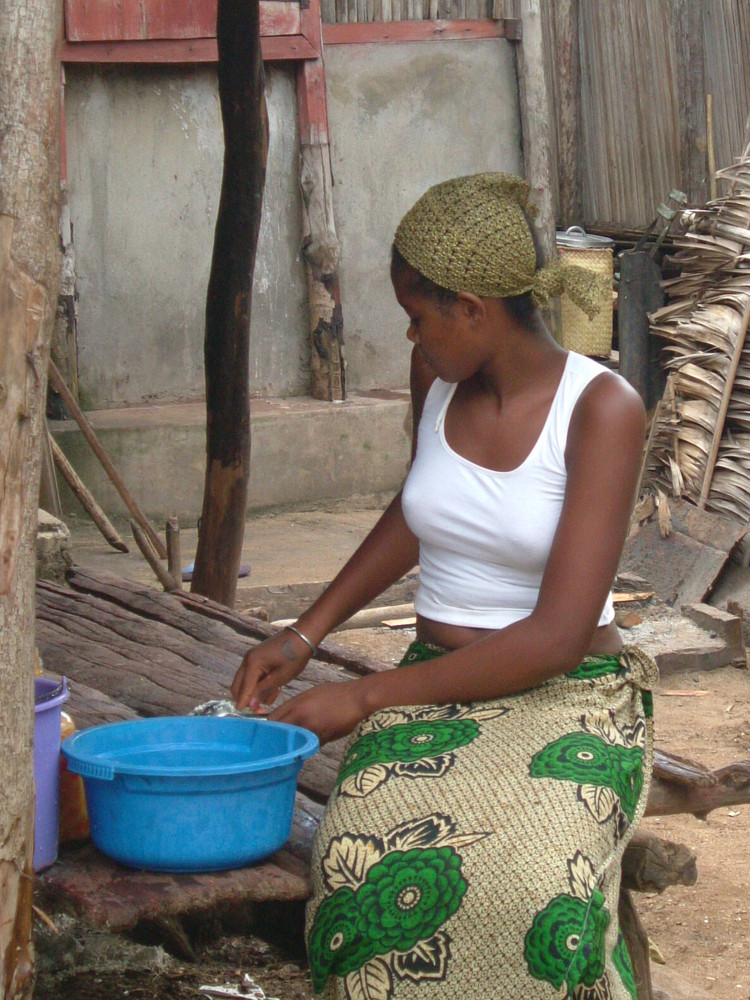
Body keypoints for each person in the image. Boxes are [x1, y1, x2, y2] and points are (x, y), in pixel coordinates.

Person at [232, 172, 657, 1000]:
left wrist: (363, 698)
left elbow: (558, 636)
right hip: (434, 686)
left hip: (569, 696)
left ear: (473, 307)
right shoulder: (438, 383)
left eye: (418, 316)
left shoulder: (602, 409)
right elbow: (419, 509)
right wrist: (303, 632)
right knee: (358, 877)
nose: (410, 338)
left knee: (534, 895)